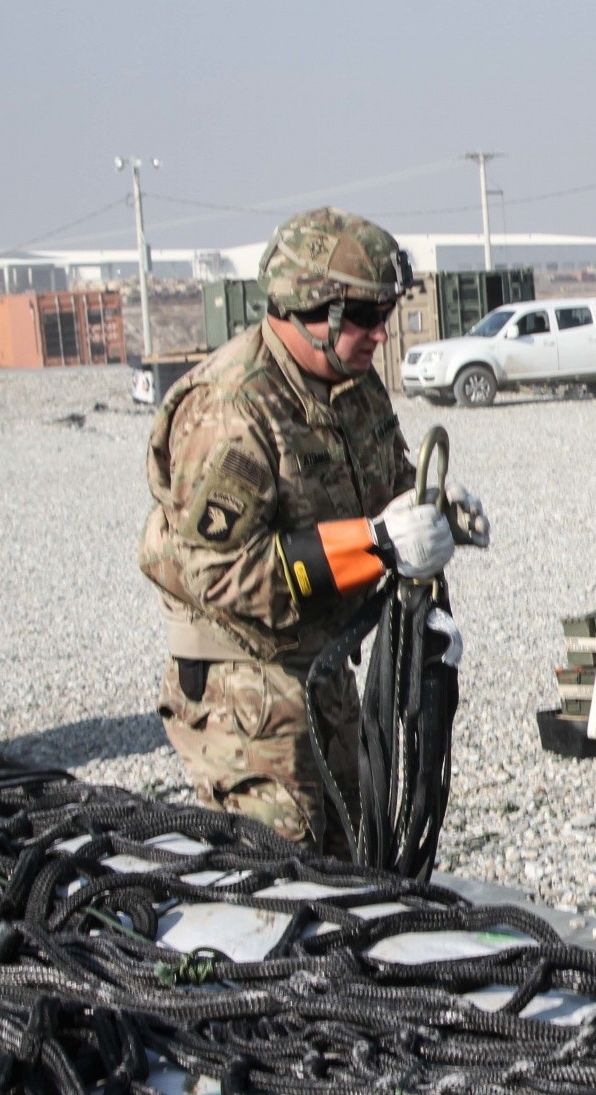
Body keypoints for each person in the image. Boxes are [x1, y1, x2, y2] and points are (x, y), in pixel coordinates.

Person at [139, 207, 489, 859]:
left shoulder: (352, 388)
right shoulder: (233, 408)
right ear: (308, 310)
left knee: (356, 857)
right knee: (288, 880)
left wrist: (433, 510)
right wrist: (376, 544)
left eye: (383, 316)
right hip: (244, 687)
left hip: (320, 668)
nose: (378, 336)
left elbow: (388, 484)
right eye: (362, 317)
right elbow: (220, 574)